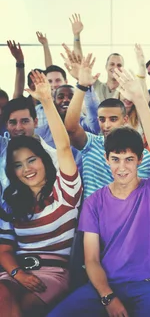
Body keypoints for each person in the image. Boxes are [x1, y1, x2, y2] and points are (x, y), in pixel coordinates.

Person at [48, 68, 150, 317]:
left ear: (140, 160)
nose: (122, 167)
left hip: (149, 285)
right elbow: (92, 260)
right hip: (103, 285)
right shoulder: (94, 202)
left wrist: (140, 99)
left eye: (129, 159)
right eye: (115, 159)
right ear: (107, 160)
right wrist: (108, 297)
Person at [0, 71, 82, 315]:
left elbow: (65, 147)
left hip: (53, 273)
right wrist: (18, 273)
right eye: (18, 165)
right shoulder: (11, 203)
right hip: (15, 272)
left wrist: (47, 100)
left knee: (26, 308)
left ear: (45, 160)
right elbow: (3, 249)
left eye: (31, 160)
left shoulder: (65, 193)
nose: (26, 169)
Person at [63, 53, 150, 199]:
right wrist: (81, 86)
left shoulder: (144, 157)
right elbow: (71, 128)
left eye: (113, 119)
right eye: (102, 119)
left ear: (124, 120)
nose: (106, 125)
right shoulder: (91, 143)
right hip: (93, 219)